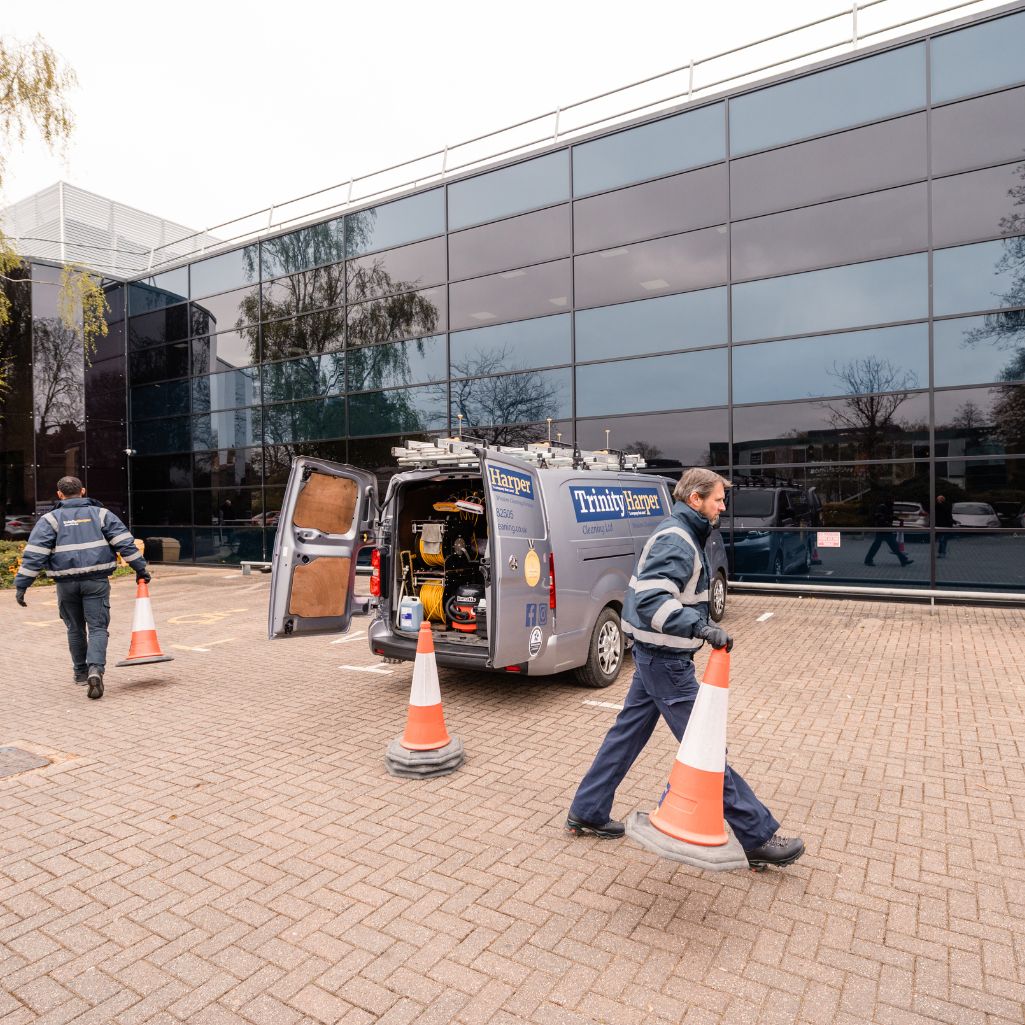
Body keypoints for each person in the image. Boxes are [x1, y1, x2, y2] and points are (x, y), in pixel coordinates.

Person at [565, 467, 805, 869]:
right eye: (717, 499)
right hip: (666, 662)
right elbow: (652, 602)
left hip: (653, 658)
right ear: (695, 499)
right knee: (706, 747)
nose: (723, 506)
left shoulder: (679, 532)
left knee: (625, 737)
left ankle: (588, 810)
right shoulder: (678, 540)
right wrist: (703, 628)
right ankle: (758, 836)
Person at [13, 476, 150, 700]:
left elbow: (34, 555)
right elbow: (125, 543)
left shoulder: (50, 520)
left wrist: (21, 586)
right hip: (96, 581)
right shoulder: (102, 515)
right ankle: (96, 670)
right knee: (97, 627)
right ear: (83, 491)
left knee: (74, 628)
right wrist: (141, 570)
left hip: (66, 584)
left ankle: (80, 672)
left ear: (59, 494)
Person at [864, 497, 913, 567]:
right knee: (884, 546)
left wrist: (897, 519)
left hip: (885, 529)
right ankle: (903, 560)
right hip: (882, 529)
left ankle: (903, 560)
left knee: (892, 546)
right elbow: (879, 517)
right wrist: (888, 523)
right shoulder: (882, 507)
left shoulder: (888, 508)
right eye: (892, 500)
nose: (893, 501)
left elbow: (889, 517)